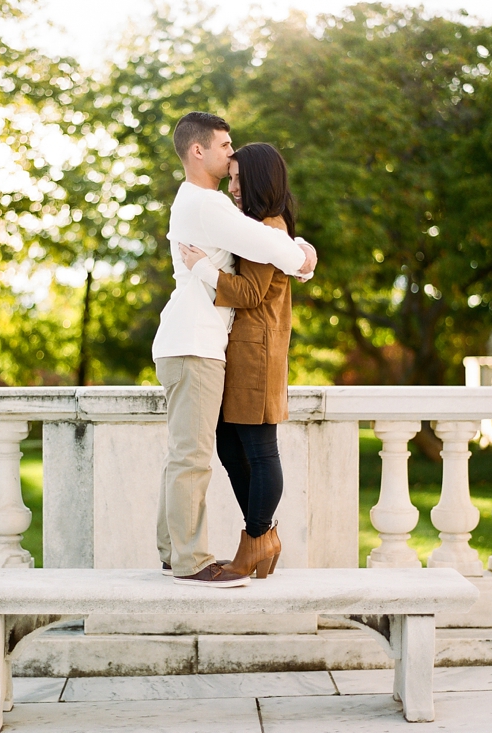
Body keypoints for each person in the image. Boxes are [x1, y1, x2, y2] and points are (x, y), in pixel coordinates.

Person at [153, 112, 317, 588]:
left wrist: (297, 245)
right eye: (225, 146)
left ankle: (173, 550)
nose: (231, 155)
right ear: (198, 150)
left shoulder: (203, 203)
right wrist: (303, 254)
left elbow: (273, 240)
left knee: (185, 454)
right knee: (192, 457)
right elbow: (282, 253)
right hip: (195, 343)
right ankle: (189, 559)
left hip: (193, 342)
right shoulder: (209, 205)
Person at [179, 143, 296, 579]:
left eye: (239, 178)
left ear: (260, 179)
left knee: (261, 450)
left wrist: (202, 268)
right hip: (243, 349)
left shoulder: (270, 227)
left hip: (258, 351)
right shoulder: (259, 228)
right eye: (230, 178)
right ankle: (261, 541)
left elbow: (250, 293)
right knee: (230, 445)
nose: (233, 187)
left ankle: (257, 538)